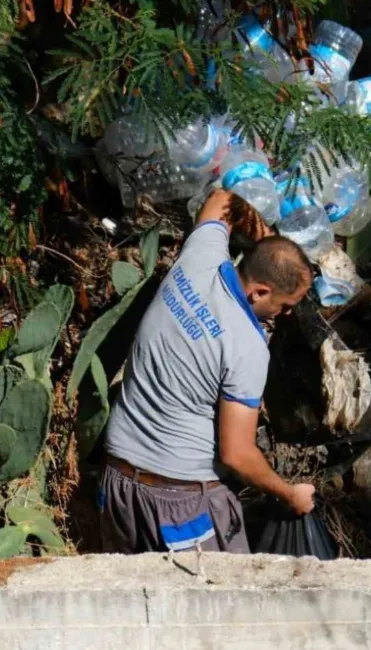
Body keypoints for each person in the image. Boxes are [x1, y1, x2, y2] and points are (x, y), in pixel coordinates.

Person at [99, 188, 316, 554]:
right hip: (179, 505)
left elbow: (221, 199)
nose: (288, 314)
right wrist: (288, 492)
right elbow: (237, 455)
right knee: (225, 606)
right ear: (259, 293)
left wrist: (271, 246)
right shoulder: (247, 347)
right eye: (286, 304)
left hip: (117, 485)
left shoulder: (199, 259)